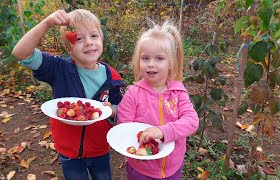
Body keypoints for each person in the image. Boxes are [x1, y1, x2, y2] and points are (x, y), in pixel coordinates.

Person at [12, 9, 125, 180]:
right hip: (69, 152)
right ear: (69, 49)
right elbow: (21, 53)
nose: (88, 42)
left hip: (100, 149)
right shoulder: (58, 69)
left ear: (101, 40)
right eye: (78, 38)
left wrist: (113, 110)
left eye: (94, 36)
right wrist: (46, 23)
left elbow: (121, 110)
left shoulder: (113, 77)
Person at [117, 20, 199, 180]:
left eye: (159, 58)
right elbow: (125, 129)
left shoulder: (178, 92)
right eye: (145, 58)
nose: (151, 64)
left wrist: (162, 131)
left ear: (171, 64)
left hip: (172, 167)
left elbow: (192, 121)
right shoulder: (133, 94)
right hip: (141, 168)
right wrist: (140, 141)